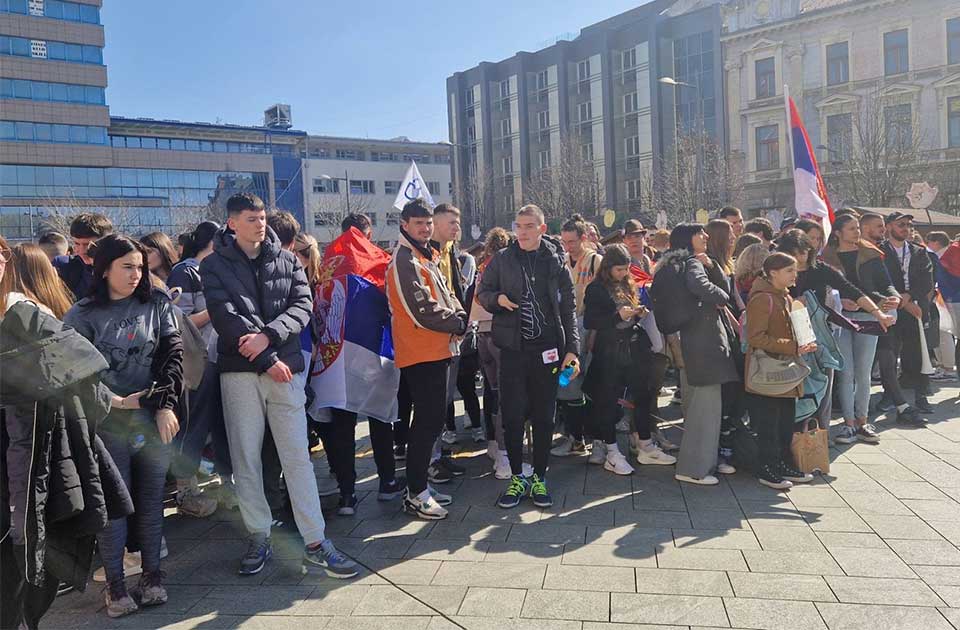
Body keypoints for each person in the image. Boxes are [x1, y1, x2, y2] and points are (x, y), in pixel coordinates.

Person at [201, 192, 357, 577]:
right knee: (246, 458)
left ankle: (316, 540)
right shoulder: (214, 265)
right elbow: (225, 314)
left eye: (262, 217)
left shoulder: (288, 261)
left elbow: (302, 308)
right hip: (240, 371)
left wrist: (268, 339)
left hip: (284, 369)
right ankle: (259, 534)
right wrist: (265, 356)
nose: (260, 224)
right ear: (232, 223)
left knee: (297, 457)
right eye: (251, 218)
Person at [63, 234, 184, 618]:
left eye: (140, 267)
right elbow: (72, 374)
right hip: (107, 422)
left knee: (151, 501)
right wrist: (114, 401)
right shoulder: (81, 314)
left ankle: (152, 576)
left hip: (152, 417)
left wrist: (165, 405)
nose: (136, 274)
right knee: (114, 505)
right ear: (105, 270)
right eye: (127, 267)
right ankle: (115, 585)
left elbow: (172, 356)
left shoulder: (157, 303)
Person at [477, 204, 580, 509]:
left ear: (542, 229)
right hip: (511, 350)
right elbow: (483, 293)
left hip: (547, 351)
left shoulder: (556, 261)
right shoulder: (503, 259)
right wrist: (497, 300)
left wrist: (572, 349)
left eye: (529, 226)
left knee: (544, 416)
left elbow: (568, 309)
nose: (522, 231)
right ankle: (517, 477)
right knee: (511, 416)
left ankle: (539, 477)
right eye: (518, 225)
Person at [301, 220, 404, 515]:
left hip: (332, 359)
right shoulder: (376, 262)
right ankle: (386, 481)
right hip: (369, 356)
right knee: (379, 418)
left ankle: (348, 493)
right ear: (368, 235)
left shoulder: (325, 270)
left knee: (342, 427)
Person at [386, 198, 467, 520]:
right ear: (405, 225)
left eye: (428, 223)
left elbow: (448, 295)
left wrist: (459, 317)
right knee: (426, 424)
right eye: (418, 223)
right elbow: (421, 310)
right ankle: (416, 492)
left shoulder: (425, 256)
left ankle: (418, 487)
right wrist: (459, 323)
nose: (424, 228)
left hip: (437, 350)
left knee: (431, 422)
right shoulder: (404, 260)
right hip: (421, 353)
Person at [776, 229, 896, 427]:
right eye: (794, 255)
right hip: (786, 338)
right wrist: (790, 303)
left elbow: (852, 290)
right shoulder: (775, 271)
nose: (799, 260)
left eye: (804, 253)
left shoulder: (821, 269)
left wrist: (878, 313)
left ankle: (820, 435)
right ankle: (793, 435)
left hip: (819, 337)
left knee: (824, 387)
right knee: (793, 390)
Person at [655, 223, 739, 486]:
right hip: (704, 341)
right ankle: (696, 468)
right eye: (699, 233)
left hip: (688, 341)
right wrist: (721, 293)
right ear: (688, 239)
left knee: (696, 404)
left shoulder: (671, 265)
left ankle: (700, 462)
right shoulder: (693, 263)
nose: (705, 236)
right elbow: (704, 288)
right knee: (706, 407)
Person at [584, 244, 675, 475]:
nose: (623, 274)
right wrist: (617, 316)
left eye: (626, 269)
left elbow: (632, 311)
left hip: (634, 346)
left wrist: (637, 313)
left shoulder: (628, 284)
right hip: (610, 350)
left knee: (642, 395)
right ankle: (612, 451)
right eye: (619, 270)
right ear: (607, 268)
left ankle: (645, 443)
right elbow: (591, 321)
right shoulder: (596, 288)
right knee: (607, 400)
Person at [167, 221, 232, 518]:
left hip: (221, 358)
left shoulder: (217, 270)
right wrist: (219, 308)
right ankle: (186, 491)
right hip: (197, 362)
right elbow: (181, 324)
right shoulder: (186, 271)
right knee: (194, 427)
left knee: (219, 426)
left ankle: (223, 483)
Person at [822, 214, 900, 444]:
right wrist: (840, 300)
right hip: (840, 317)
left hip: (869, 315)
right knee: (846, 372)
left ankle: (863, 421)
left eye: (857, 228)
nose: (857, 232)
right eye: (851, 228)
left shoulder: (870, 253)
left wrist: (893, 296)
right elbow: (824, 287)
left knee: (864, 372)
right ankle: (848, 424)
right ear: (837, 232)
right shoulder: (826, 257)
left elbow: (885, 283)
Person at [743, 252, 817, 489]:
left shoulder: (784, 296)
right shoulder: (763, 299)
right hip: (770, 370)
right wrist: (793, 346)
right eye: (789, 271)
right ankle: (767, 468)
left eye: (795, 270)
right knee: (769, 423)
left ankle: (783, 463)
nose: (795, 275)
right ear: (773, 273)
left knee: (785, 422)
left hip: (786, 370)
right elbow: (756, 337)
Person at [552, 214, 601, 460]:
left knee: (581, 385)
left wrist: (594, 333)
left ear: (583, 239)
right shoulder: (561, 262)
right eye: (564, 242)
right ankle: (574, 436)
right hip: (566, 332)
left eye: (571, 242)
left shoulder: (595, 262)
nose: (567, 246)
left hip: (587, 330)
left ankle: (581, 437)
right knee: (566, 384)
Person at [877, 212, 936, 415]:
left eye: (909, 225)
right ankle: (889, 395)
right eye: (901, 224)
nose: (906, 228)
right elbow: (881, 280)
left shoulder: (919, 252)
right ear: (889, 226)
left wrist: (909, 297)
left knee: (917, 352)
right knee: (889, 354)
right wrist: (901, 301)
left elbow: (926, 281)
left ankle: (921, 395)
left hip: (915, 309)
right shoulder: (879, 250)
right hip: (890, 308)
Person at [53, 212, 113, 300]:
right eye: (77, 243)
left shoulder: (119, 268)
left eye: (88, 245)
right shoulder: (64, 266)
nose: (82, 250)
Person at [928, 231, 960, 380]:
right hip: (944, 299)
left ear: (936, 242)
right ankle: (942, 366)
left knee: (947, 334)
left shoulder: (953, 252)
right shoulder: (944, 254)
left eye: (929, 242)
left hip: (954, 300)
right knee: (941, 332)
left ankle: (949, 368)